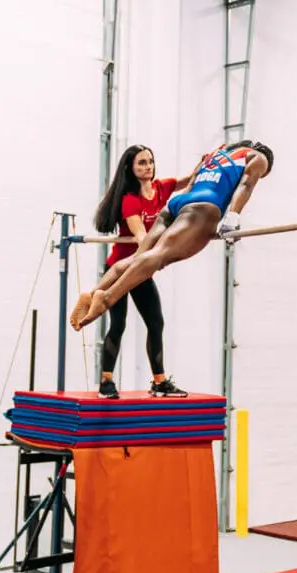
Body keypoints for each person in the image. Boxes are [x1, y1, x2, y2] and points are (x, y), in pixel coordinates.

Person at [70, 139, 274, 332]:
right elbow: (246, 184)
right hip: (205, 206)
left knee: (138, 258)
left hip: (178, 203)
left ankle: (93, 292)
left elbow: (191, 182)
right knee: (159, 256)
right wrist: (231, 220)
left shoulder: (218, 153)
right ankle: (106, 298)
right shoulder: (258, 157)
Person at [90, 144, 191, 399]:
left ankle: (159, 382)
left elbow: (188, 180)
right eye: (142, 163)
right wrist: (164, 249)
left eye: (150, 162)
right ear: (131, 169)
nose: (148, 167)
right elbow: (141, 237)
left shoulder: (161, 188)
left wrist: (209, 161)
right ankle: (106, 382)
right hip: (121, 269)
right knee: (118, 323)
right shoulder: (129, 200)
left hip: (142, 268)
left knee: (156, 322)